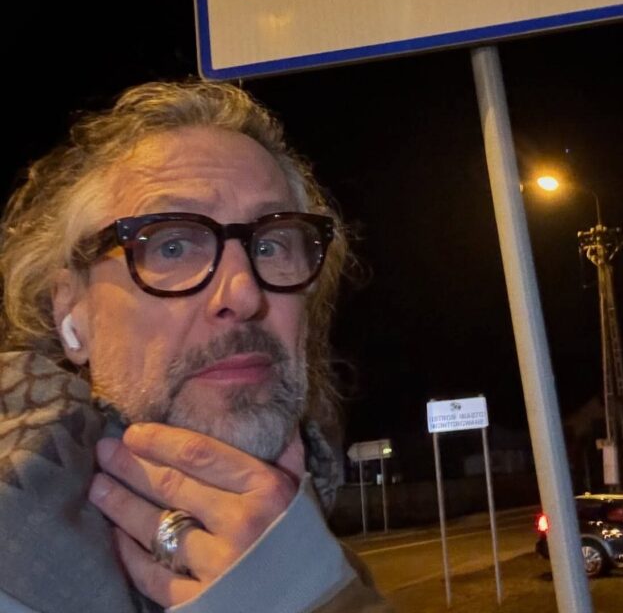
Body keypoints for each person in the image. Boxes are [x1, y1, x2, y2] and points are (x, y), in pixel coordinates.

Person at [0, 80, 391, 613]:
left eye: (271, 245)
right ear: (71, 311)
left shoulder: (317, 552)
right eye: (172, 245)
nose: (244, 294)